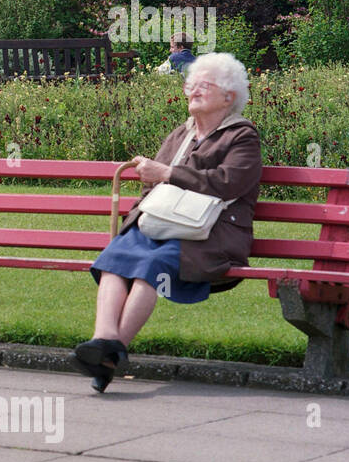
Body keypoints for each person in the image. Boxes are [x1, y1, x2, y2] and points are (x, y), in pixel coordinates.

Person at [75, 52, 262, 391]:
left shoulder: (242, 136)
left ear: (229, 96)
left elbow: (230, 182)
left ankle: (112, 352)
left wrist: (169, 173)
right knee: (115, 257)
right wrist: (156, 177)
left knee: (153, 265)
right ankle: (103, 341)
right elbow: (153, 184)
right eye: (192, 84)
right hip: (163, 223)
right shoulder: (181, 135)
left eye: (205, 85)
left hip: (209, 234)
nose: (194, 90)